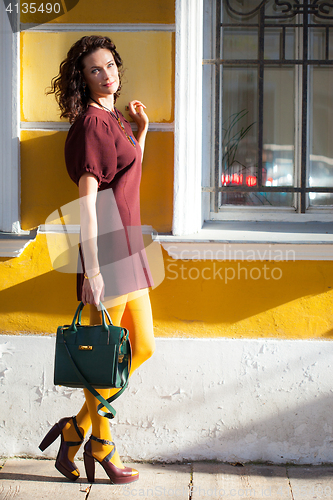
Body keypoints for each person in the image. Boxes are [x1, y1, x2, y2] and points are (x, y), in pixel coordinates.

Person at [39, 35, 155, 485]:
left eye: (110, 65)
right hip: (106, 252)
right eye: (95, 70)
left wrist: (140, 133)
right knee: (102, 359)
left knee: (141, 347)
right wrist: (92, 270)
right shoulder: (91, 124)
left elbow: (126, 172)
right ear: (82, 80)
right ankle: (102, 445)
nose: (107, 75)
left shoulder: (114, 118)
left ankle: (75, 430)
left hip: (130, 248)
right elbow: (86, 205)